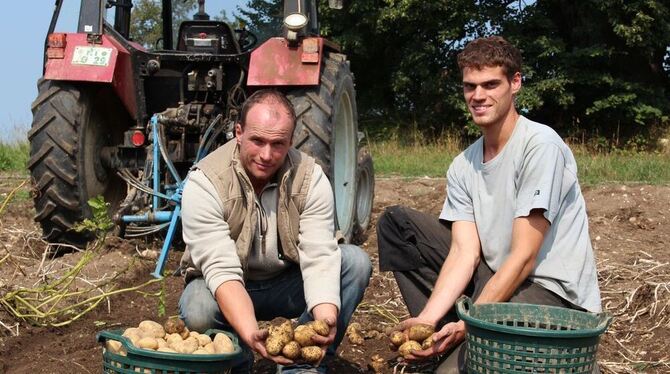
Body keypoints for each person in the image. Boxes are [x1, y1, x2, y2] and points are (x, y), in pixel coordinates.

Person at [376, 36, 601, 372]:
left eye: (490, 84)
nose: (478, 96)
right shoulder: (463, 165)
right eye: (470, 86)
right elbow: (464, 253)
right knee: (397, 224)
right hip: (498, 278)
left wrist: (472, 322)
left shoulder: (539, 147)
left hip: (551, 296)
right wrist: (426, 319)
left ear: (515, 83)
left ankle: (473, 334)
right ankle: (444, 336)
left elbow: (525, 258)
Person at [178, 89, 372, 373]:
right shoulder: (206, 182)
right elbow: (221, 270)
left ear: (291, 141)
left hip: (287, 283)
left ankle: (303, 364)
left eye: (278, 144)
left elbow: (319, 254)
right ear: (238, 132)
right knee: (197, 306)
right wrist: (250, 332)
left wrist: (326, 319)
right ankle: (238, 362)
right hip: (227, 287)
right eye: (257, 141)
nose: (266, 155)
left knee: (354, 262)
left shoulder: (310, 177)